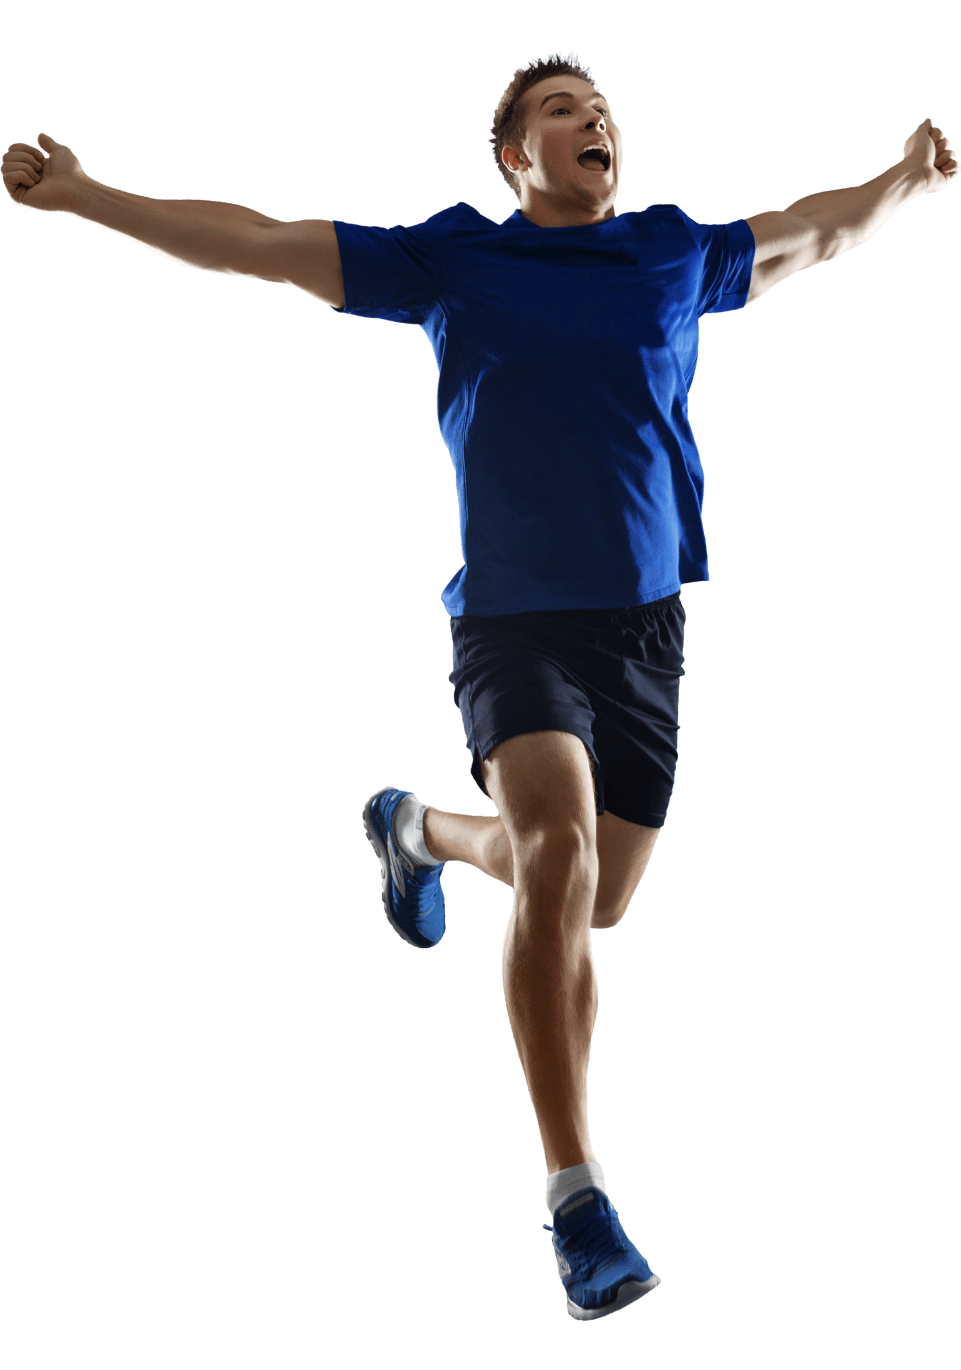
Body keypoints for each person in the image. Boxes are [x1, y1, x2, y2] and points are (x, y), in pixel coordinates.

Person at [5, 49, 956, 1324]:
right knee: (558, 854)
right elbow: (258, 243)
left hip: (646, 632)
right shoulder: (454, 260)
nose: (593, 122)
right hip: (515, 625)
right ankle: (577, 1198)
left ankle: (414, 829)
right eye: (562, 112)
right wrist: (88, 195)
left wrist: (902, 183)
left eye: (602, 110)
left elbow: (814, 232)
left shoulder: (670, 254)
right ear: (515, 157)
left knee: (595, 895)